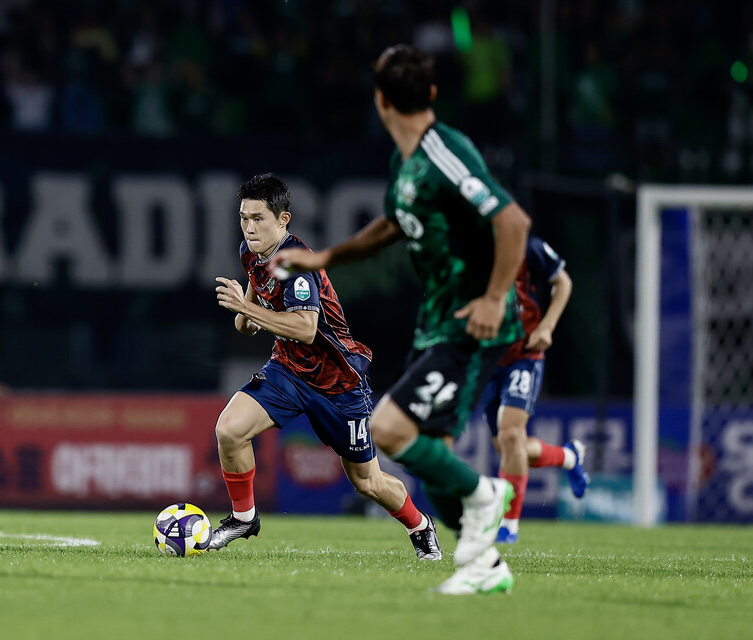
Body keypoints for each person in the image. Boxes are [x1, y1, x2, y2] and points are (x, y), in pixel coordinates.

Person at [271, 45, 532, 595]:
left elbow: (513, 222)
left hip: (472, 323)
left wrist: (493, 299)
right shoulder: (406, 163)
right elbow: (394, 224)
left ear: (380, 100)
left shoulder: (443, 152)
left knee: (389, 429)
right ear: (431, 93)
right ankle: (484, 567)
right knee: (430, 461)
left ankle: (486, 495)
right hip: (437, 323)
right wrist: (325, 258)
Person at [210, 173, 442, 562]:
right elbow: (247, 325)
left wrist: (246, 308)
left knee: (367, 482)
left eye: (258, 219)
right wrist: (243, 309)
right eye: (244, 218)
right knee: (229, 431)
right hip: (287, 370)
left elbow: (305, 328)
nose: (249, 228)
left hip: (339, 382)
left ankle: (420, 526)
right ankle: (243, 518)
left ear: (283, 220)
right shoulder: (251, 253)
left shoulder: (296, 263)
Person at [478, 236, 589, 544]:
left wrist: (547, 326)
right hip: (487, 361)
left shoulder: (526, 246)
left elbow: (563, 282)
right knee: (511, 448)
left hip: (524, 355)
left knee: (511, 435)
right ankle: (568, 457)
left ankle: (508, 526)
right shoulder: (466, 250)